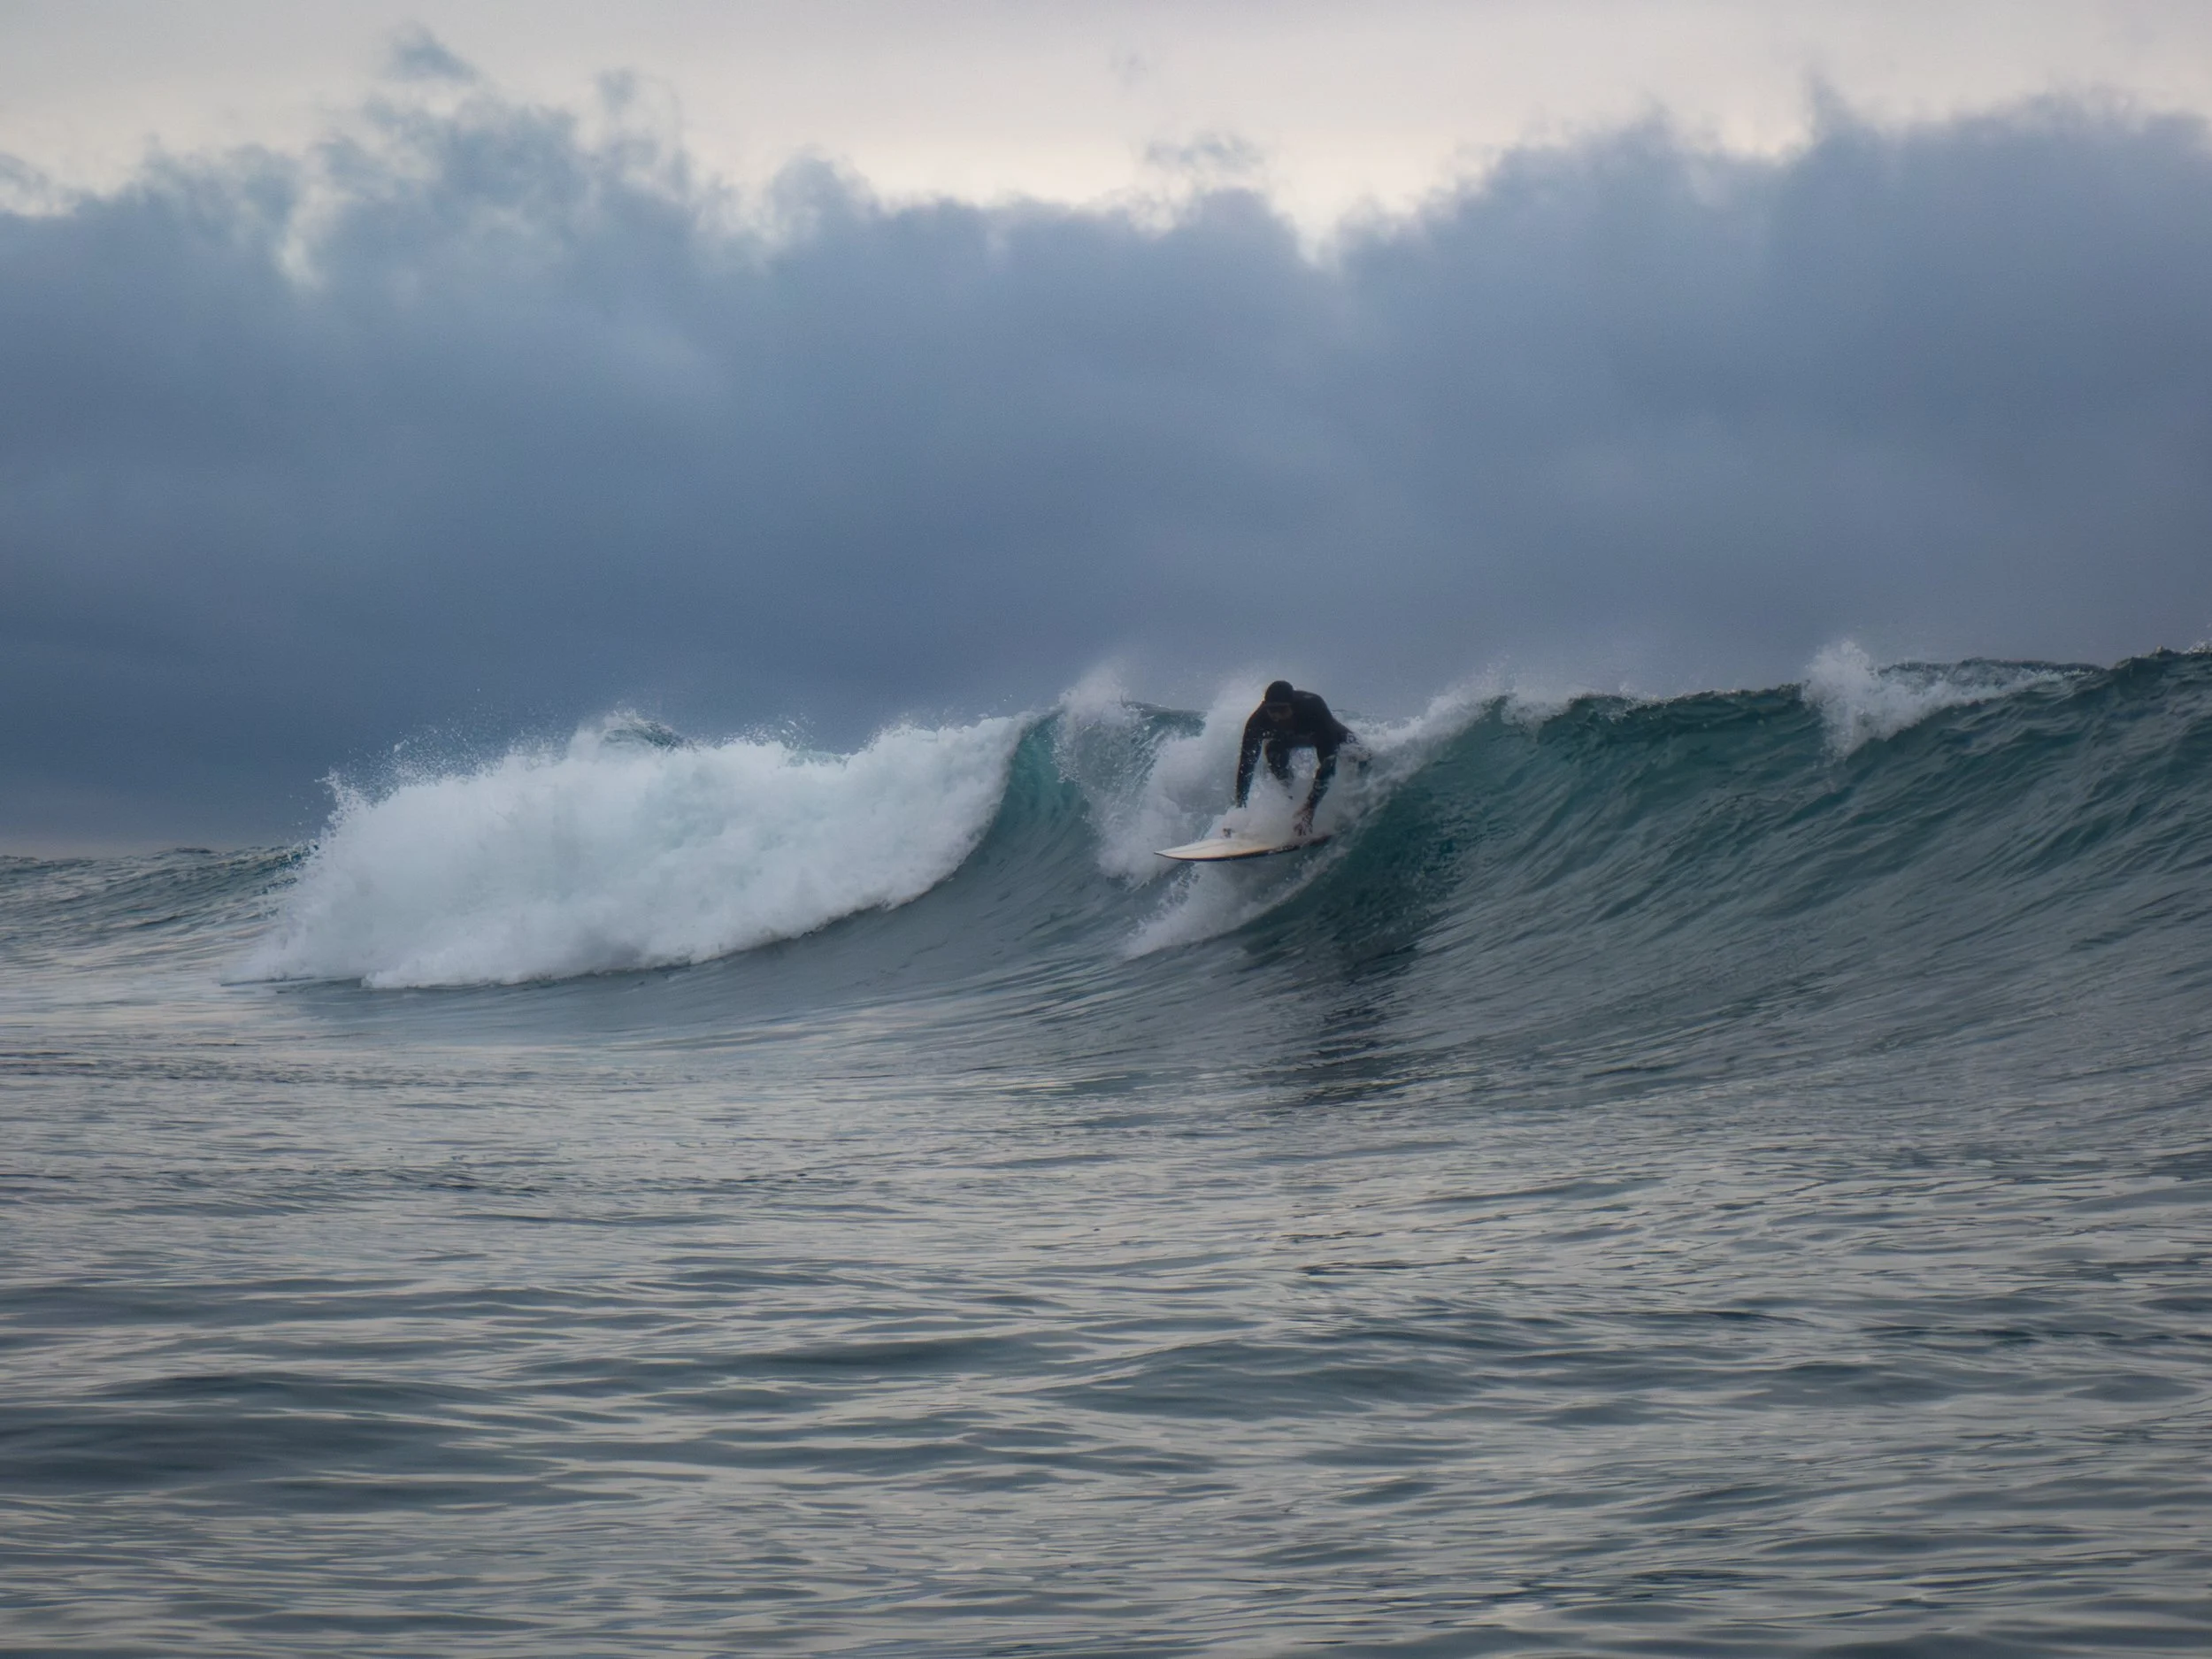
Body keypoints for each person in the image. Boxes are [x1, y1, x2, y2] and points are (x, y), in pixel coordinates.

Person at [1233, 680, 1357, 837]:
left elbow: (1328, 762)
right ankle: (1293, 800)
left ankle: (1351, 805)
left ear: (1292, 705)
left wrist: (1310, 807)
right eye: (1272, 710)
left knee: (1361, 756)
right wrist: (1239, 809)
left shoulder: (1313, 707)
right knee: (1273, 751)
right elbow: (1246, 766)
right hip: (1291, 738)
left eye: (1282, 710)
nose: (1276, 716)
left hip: (1325, 733)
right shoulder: (1258, 721)